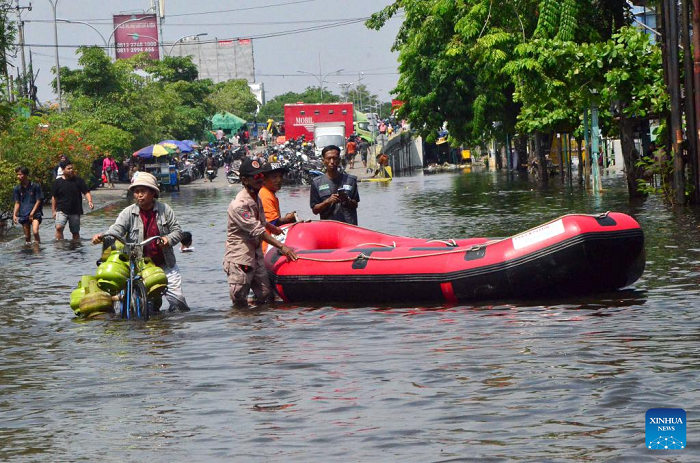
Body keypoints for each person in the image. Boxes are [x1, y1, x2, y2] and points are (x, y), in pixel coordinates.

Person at [91, 173, 190, 312]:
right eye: (136, 192)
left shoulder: (165, 210)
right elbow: (116, 230)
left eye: (143, 191)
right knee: (142, 307)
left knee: (178, 301)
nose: (139, 195)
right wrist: (102, 236)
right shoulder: (128, 213)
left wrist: (168, 239)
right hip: (138, 266)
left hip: (165, 264)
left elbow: (177, 231)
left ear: (153, 193)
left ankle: (177, 328)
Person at [224, 158, 298, 307]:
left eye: (261, 176)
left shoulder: (256, 198)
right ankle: (244, 327)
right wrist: (282, 246)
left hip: (256, 255)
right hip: (241, 257)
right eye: (256, 176)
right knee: (239, 300)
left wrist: (274, 228)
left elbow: (262, 222)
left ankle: (261, 327)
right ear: (244, 180)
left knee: (266, 295)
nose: (260, 179)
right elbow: (257, 230)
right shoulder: (239, 204)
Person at [310, 145, 360, 225]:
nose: (332, 161)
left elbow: (355, 205)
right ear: (323, 161)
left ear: (339, 160)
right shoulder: (316, 183)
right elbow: (315, 210)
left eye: (335, 158)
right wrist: (327, 201)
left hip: (349, 228)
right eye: (328, 158)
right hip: (328, 229)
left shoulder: (351, 180)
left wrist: (347, 199)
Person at [259, 162, 298, 253]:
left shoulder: (269, 194)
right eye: (274, 177)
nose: (279, 180)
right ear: (264, 179)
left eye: (280, 176)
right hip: (264, 246)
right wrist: (288, 219)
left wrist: (286, 218)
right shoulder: (265, 195)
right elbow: (273, 223)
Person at [51, 161, 94, 241]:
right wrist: (53, 211)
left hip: (75, 210)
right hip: (61, 209)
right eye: (68, 169)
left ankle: (75, 247)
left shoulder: (78, 181)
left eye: (72, 168)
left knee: (75, 231)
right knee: (59, 227)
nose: (71, 170)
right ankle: (59, 246)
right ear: (63, 170)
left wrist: (90, 201)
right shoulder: (57, 182)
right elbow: (54, 197)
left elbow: (86, 192)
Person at [12, 166, 44, 243]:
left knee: (35, 232)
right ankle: (28, 253)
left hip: (35, 214)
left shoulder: (35, 186)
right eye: (17, 174)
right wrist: (14, 214)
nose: (18, 176)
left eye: (20, 174)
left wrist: (32, 213)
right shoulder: (17, 188)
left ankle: (37, 250)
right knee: (27, 237)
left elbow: (38, 200)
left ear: (26, 175)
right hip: (23, 214)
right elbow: (17, 202)